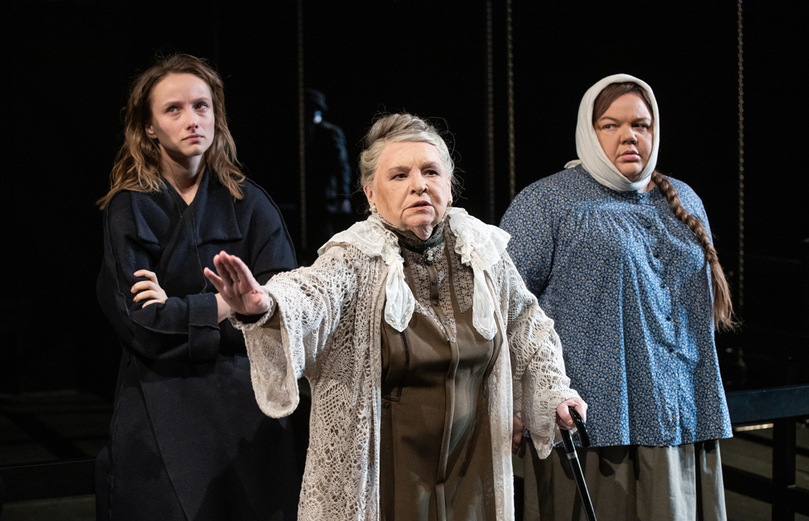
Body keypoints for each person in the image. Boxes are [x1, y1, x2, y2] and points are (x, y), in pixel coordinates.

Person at [204, 113, 587, 521]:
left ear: (449, 186)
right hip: (387, 479)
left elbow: (527, 325)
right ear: (371, 194)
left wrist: (555, 392)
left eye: (430, 172)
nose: (418, 184)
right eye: (399, 175)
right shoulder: (355, 258)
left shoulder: (481, 252)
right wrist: (266, 304)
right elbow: (312, 293)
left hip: (471, 471)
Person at [500, 74, 734, 520]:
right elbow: (502, 308)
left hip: (683, 420)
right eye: (611, 125)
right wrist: (508, 402)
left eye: (641, 125)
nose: (629, 136)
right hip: (593, 429)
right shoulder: (547, 202)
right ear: (589, 132)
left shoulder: (684, 198)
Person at [95, 53, 300, 521]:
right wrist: (227, 306)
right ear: (148, 126)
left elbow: (285, 307)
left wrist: (183, 309)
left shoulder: (252, 204)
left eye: (201, 106)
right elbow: (141, 326)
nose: (192, 120)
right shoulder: (130, 208)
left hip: (248, 403)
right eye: (174, 109)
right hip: (160, 401)